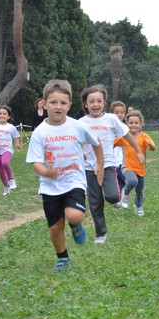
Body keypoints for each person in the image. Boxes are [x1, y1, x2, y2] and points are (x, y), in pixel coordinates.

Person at [26, 79, 104, 271]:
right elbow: (36, 161)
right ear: (44, 104)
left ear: (69, 105)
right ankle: (62, 258)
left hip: (73, 180)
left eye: (63, 103)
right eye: (53, 103)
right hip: (49, 186)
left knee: (75, 215)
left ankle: (76, 225)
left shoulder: (77, 126)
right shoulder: (40, 132)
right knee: (55, 228)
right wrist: (46, 172)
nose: (58, 107)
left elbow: (96, 143)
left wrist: (100, 165)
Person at [79, 84, 144, 244]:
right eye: (91, 101)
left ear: (104, 103)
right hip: (88, 168)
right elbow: (75, 142)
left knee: (112, 196)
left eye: (99, 101)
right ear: (85, 104)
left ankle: (118, 200)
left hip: (107, 165)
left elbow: (126, 135)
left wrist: (138, 151)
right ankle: (101, 234)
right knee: (95, 202)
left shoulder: (111, 119)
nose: (95, 105)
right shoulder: (80, 122)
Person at [114, 109, 156, 216]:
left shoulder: (144, 136)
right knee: (132, 181)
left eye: (136, 123)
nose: (133, 125)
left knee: (139, 191)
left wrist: (150, 145)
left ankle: (138, 206)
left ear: (141, 124)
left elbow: (153, 148)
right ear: (126, 124)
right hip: (127, 167)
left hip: (140, 168)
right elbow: (112, 143)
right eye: (131, 123)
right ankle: (125, 193)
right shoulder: (124, 137)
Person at [111, 100, 127, 203]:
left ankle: (121, 198)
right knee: (113, 179)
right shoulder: (109, 127)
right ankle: (115, 196)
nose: (119, 115)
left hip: (122, 159)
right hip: (111, 158)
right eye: (116, 112)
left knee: (121, 178)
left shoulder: (125, 128)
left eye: (121, 112)